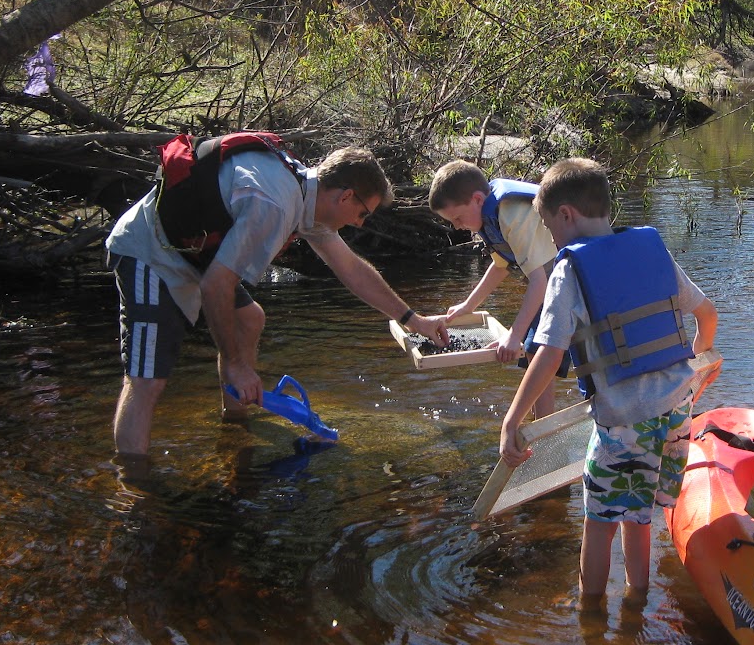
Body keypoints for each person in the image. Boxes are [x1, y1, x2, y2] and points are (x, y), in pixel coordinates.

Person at [107, 133, 449, 456]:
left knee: (250, 319)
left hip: (196, 256)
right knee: (147, 381)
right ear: (345, 196)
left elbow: (352, 270)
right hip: (151, 252)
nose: (360, 223)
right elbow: (215, 286)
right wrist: (236, 364)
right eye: (363, 213)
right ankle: (132, 485)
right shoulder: (274, 205)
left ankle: (235, 424)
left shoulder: (305, 194)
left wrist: (413, 320)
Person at [498, 157, 718, 607]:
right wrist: (699, 368)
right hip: (678, 411)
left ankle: (591, 616)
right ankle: (637, 604)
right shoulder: (652, 249)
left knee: (598, 523)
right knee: (639, 517)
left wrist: (512, 420)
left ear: (566, 215)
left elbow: (549, 355)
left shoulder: (570, 269)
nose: (550, 238)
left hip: (624, 421)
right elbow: (707, 314)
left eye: (548, 226)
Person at [425, 159, 562, 417]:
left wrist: (514, 335)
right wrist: (469, 305)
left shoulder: (511, 214)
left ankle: (543, 427)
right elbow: (500, 265)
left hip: (570, 281)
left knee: (537, 352)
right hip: (554, 283)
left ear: (478, 199)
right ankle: (540, 425)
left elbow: (539, 281)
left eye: (457, 218)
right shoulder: (491, 217)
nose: (457, 226)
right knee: (534, 354)